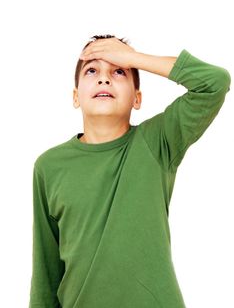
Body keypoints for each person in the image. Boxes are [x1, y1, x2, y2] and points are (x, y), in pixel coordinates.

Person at [28, 34, 231, 308]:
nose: (104, 78)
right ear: (76, 96)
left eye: (118, 71)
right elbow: (46, 271)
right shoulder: (49, 166)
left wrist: (134, 58)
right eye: (92, 70)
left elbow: (215, 83)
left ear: (137, 98)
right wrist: (122, 63)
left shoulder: (157, 142)